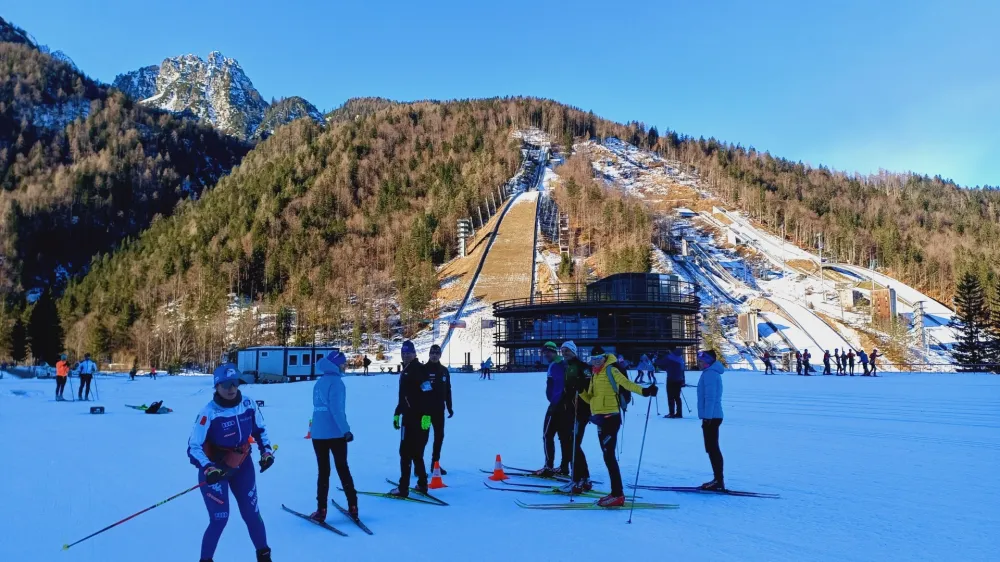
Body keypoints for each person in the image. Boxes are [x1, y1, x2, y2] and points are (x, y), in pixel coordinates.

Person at [187, 364, 274, 562]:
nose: (231, 388)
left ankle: (264, 557)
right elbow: (193, 447)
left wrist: (266, 452)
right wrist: (208, 467)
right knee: (219, 519)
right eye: (225, 384)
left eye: (235, 383)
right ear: (216, 386)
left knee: (252, 514)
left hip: (242, 465)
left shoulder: (248, 404)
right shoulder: (208, 413)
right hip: (216, 469)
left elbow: (260, 430)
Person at [580, 345, 657, 507]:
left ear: (604, 358)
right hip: (599, 419)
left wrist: (645, 392)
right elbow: (591, 398)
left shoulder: (611, 370)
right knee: (607, 456)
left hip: (611, 419)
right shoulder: (595, 374)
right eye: (593, 360)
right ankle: (615, 492)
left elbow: (627, 384)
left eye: (599, 359)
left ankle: (618, 494)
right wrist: (581, 392)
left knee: (609, 456)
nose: (596, 362)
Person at [309, 350, 358, 522]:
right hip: (336, 433)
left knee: (323, 472)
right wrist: (346, 430)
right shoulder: (337, 383)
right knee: (342, 469)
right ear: (336, 364)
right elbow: (336, 409)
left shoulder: (320, 382)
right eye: (343, 363)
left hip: (318, 434)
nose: (345, 366)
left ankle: (321, 510)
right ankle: (353, 506)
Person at [390, 340, 432, 497]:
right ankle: (422, 484)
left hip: (417, 418)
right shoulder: (406, 369)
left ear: (414, 353)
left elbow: (428, 393)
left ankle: (403, 488)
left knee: (407, 452)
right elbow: (403, 396)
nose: (406, 355)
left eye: (408, 353)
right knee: (415, 453)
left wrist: (427, 415)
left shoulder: (418, 369)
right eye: (403, 353)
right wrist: (397, 412)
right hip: (407, 416)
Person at [557, 341, 592, 494]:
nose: (564, 353)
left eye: (567, 351)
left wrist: (584, 404)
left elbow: (589, 387)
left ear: (574, 351)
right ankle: (583, 477)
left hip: (580, 411)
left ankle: (578, 479)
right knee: (572, 443)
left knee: (573, 444)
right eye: (563, 350)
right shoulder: (566, 366)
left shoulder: (582, 366)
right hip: (569, 410)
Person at [536, 342, 571, 476]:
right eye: (544, 353)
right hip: (562, 405)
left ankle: (549, 467)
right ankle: (564, 467)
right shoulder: (560, 364)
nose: (545, 355)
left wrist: (556, 400)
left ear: (554, 352)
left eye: (548, 352)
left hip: (557, 405)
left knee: (547, 435)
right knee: (563, 437)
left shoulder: (557, 365)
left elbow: (560, 386)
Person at [697, 350, 726, 491]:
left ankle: (718, 481)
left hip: (712, 417)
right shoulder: (709, 373)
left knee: (713, 449)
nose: (699, 363)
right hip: (712, 416)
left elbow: (710, 397)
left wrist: (707, 417)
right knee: (711, 448)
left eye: (701, 361)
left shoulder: (710, 374)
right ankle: (717, 480)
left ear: (708, 361)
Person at [425, 344, 454, 475]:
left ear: (440, 355)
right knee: (422, 438)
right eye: (432, 353)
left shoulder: (444, 371)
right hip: (424, 412)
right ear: (429, 354)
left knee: (439, 437)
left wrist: (449, 407)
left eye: (437, 353)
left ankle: (435, 464)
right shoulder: (423, 370)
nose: (434, 355)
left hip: (438, 411)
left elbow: (448, 390)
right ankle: (418, 466)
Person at [664, 347, 686, 418]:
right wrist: (683, 380)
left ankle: (671, 413)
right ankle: (679, 413)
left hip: (671, 379)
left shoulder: (671, 358)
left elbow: (664, 366)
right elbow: (682, 371)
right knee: (677, 397)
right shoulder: (680, 359)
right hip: (679, 380)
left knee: (670, 397)